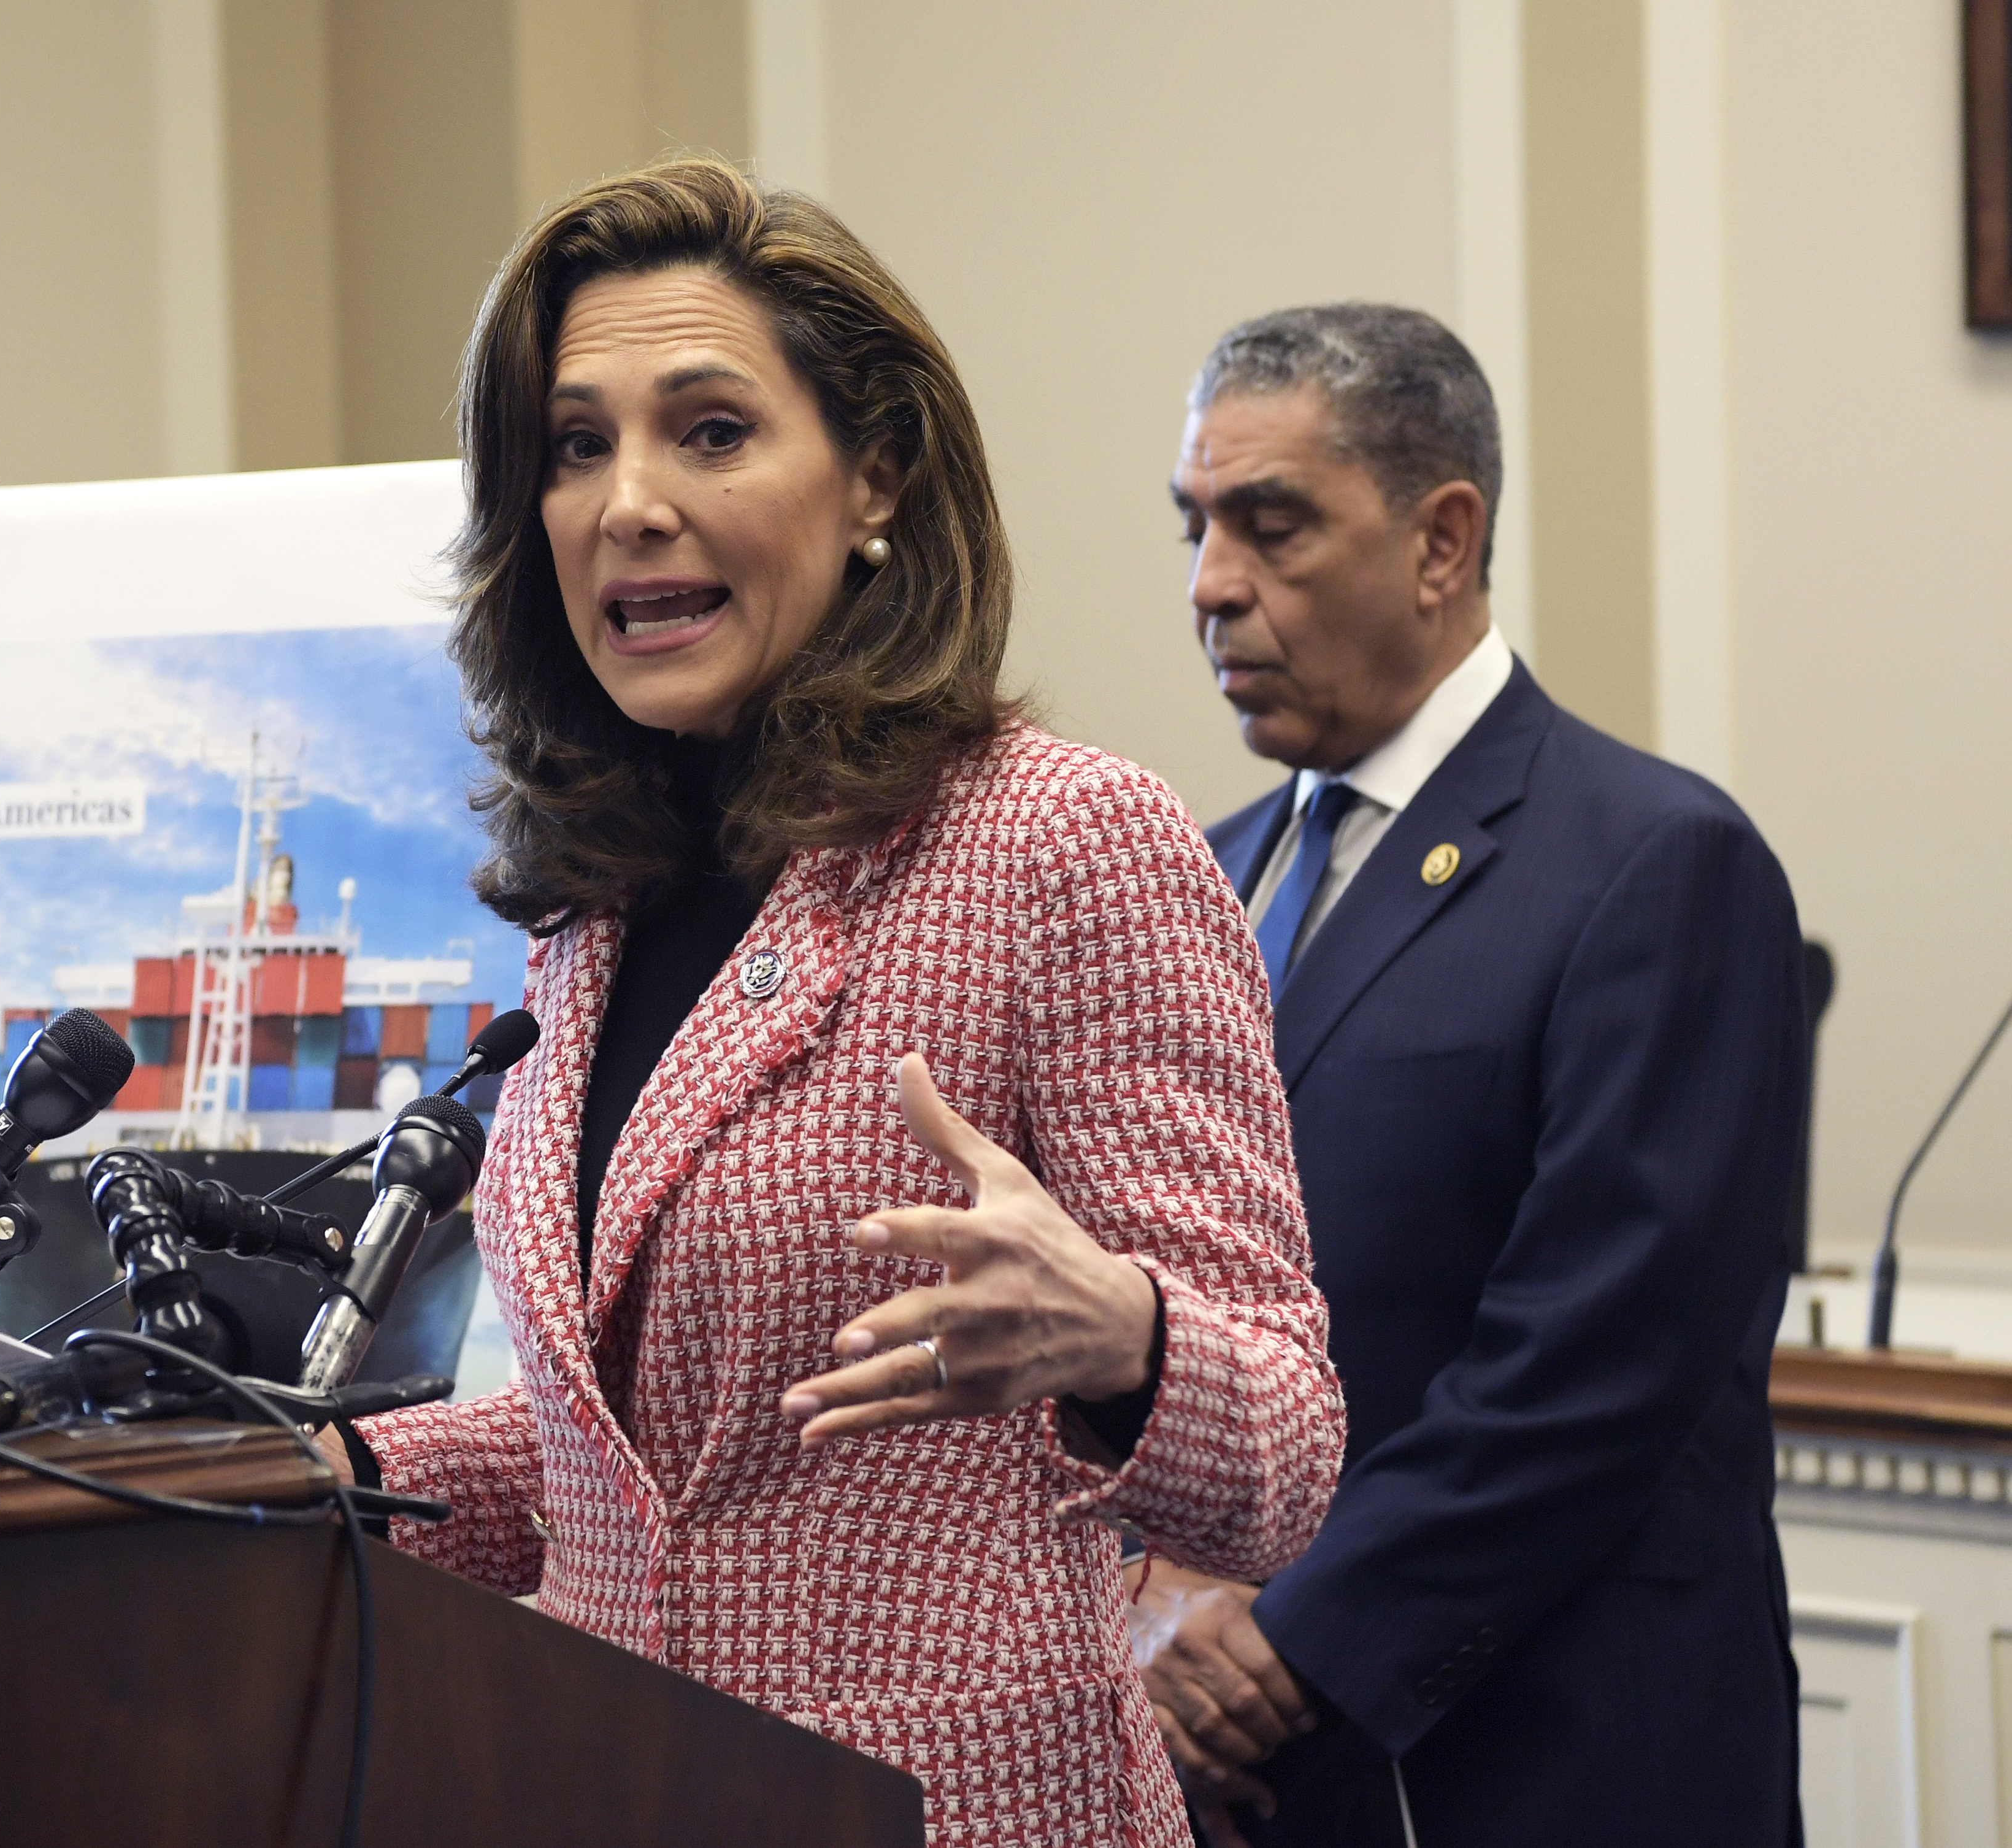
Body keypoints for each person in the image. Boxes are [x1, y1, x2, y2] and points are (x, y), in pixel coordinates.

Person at [337, 160, 1345, 1846]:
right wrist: (311, 1478)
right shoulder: (598, 897)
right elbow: (643, 1459)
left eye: (708, 431)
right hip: (604, 1786)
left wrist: (1114, 1335)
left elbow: (1284, 1448)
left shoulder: (1055, 837)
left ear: (875, 474)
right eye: (574, 445)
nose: (625, 503)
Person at [1142, 302, 1806, 1846]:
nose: (1211, 586)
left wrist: (1279, 1652)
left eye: (1271, 526)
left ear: (1444, 541)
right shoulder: (1197, 883)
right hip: (1243, 1773)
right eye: (1193, 529)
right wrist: (1141, 1604)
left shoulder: (1655, 862)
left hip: (1549, 1758)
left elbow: (1588, 1369)